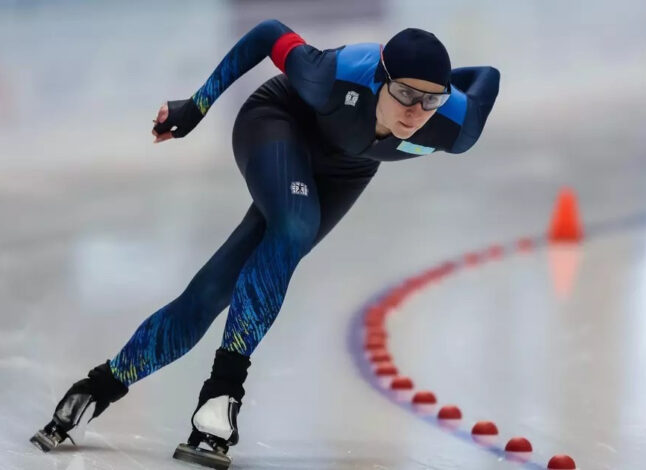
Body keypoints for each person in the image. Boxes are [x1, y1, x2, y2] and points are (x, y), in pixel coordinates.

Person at [30, 19, 500, 469]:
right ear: (380, 79)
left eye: (430, 99)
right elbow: (268, 32)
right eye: (404, 94)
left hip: (346, 170)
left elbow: (488, 76)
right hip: (278, 122)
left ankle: (96, 389)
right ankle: (222, 394)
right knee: (296, 223)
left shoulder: (455, 125)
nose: (416, 112)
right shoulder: (331, 76)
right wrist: (196, 106)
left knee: (215, 289)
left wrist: (439, 83)